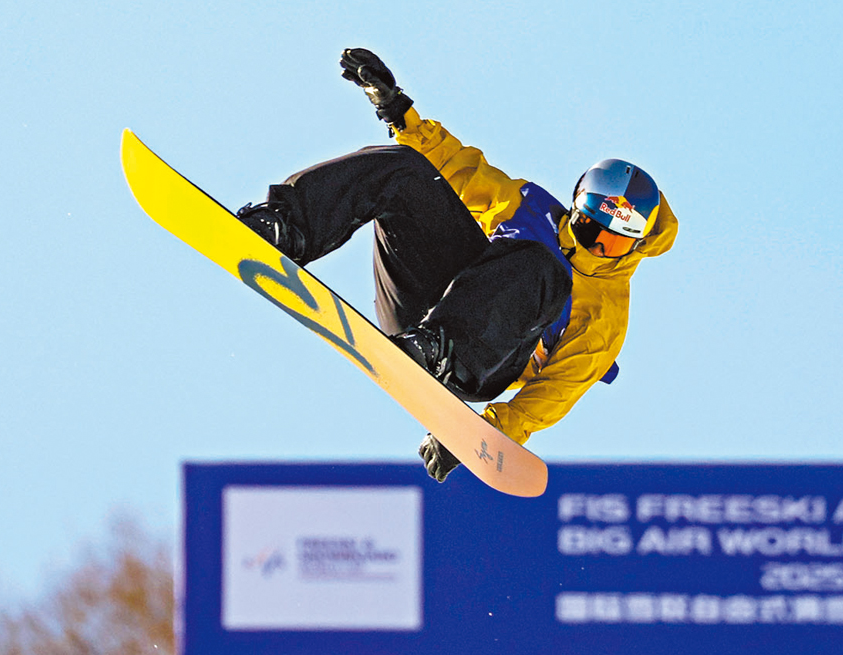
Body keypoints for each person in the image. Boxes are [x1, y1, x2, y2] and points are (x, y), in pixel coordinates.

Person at [236, 48, 679, 483]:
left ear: (636, 245)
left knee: (544, 268)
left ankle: (441, 346)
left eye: (613, 243)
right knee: (409, 170)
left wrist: (483, 434)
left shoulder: (605, 311)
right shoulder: (529, 209)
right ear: (576, 208)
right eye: (587, 228)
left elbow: (558, 389)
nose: (596, 246)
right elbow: (460, 169)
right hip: (419, 311)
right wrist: (398, 111)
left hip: (477, 360)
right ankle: (287, 228)